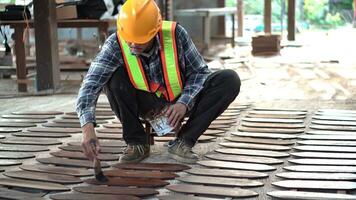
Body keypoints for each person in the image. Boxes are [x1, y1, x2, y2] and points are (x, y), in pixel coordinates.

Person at [76, 0, 241, 164]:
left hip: (183, 102)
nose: (133, 44)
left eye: (140, 39)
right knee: (112, 78)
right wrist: (87, 128)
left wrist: (183, 102)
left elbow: (199, 72)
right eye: (129, 39)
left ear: (155, 30)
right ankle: (137, 143)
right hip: (146, 104)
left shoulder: (176, 34)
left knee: (229, 80)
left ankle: (183, 142)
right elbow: (90, 84)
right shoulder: (115, 43)